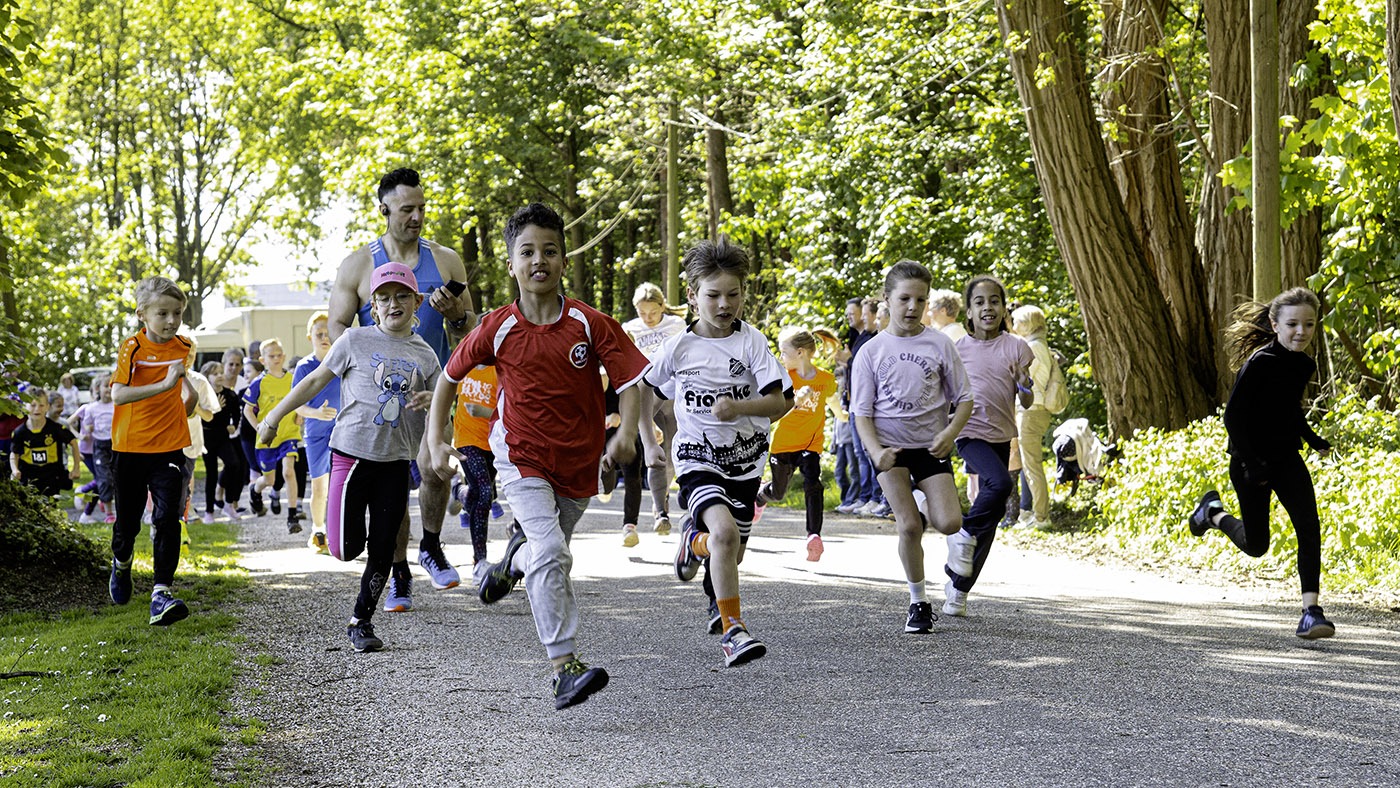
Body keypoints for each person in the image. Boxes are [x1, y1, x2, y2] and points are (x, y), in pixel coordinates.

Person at [423, 202, 649, 709]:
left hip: (579, 463)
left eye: (549, 251)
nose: (538, 260)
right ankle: (563, 667)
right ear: (511, 264)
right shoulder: (498, 327)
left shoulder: (590, 324)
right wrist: (436, 439)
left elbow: (632, 379)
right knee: (555, 555)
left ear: (564, 261)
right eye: (527, 252)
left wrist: (628, 434)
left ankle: (512, 560)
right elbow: (449, 379)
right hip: (520, 456)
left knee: (547, 554)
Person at [258, 262, 441, 652]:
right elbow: (313, 380)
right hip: (351, 457)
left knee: (384, 547)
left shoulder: (425, 355)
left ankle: (362, 621)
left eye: (402, 296)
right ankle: (348, 548)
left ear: (417, 302)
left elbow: (443, 403)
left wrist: (435, 406)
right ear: (372, 306)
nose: (394, 304)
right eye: (384, 298)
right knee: (345, 548)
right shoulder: (354, 341)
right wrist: (274, 416)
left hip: (395, 462)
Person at [327, 166, 476, 608]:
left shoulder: (446, 260)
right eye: (406, 209)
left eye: (421, 208)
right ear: (384, 210)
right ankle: (398, 571)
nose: (416, 217)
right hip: (381, 395)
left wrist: (455, 315)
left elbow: (472, 329)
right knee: (390, 488)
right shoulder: (358, 264)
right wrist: (358, 371)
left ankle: (430, 545)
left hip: (432, 389)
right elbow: (337, 322)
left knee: (436, 469)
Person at [656, 237, 794, 668]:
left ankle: (692, 543)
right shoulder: (678, 347)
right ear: (693, 296)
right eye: (712, 295)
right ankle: (733, 629)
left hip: (746, 463)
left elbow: (782, 402)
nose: (723, 304)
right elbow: (648, 389)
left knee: (728, 550)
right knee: (727, 536)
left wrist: (740, 408)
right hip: (697, 459)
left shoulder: (752, 343)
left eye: (732, 294)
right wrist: (647, 439)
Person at [1188, 287, 1336, 639]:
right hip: (1249, 463)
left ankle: (1311, 612)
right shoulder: (1259, 364)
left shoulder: (1304, 364)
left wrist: (1312, 438)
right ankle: (1212, 513)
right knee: (1257, 546)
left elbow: (1288, 408)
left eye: (1309, 324)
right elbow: (1233, 419)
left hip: (1286, 459)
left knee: (1309, 526)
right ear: (1275, 324)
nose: (1301, 331)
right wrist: (1253, 464)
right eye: (1293, 324)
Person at [850, 261, 975, 633]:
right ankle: (918, 603)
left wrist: (950, 432)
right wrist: (876, 453)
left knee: (950, 522)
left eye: (920, 300)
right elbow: (861, 414)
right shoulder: (871, 351)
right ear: (887, 299)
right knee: (908, 528)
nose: (912, 307)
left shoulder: (939, 344)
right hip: (890, 449)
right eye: (904, 298)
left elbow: (965, 398)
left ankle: (924, 499)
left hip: (930, 448)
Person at [109, 276, 198, 626]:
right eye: (163, 313)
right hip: (130, 448)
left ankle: (161, 593)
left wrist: (187, 398)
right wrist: (164, 385)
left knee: (167, 518)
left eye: (177, 313)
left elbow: (181, 390)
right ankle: (121, 563)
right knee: (128, 524)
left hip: (169, 448)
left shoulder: (183, 346)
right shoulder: (131, 348)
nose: (172, 321)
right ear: (142, 314)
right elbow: (117, 395)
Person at [944, 275, 1034, 618]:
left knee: (993, 516)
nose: (987, 308)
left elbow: (1027, 400)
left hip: (1001, 434)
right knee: (1001, 484)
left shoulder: (1017, 347)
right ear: (969, 310)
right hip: (967, 432)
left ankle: (958, 587)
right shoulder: (958, 349)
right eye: (979, 302)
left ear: (1003, 307)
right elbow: (944, 393)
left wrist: (1024, 385)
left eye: (994, 301)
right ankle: (963, 533)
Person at [756, 327, 841, 561]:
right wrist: (796, 400)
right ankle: (761, 496)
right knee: (778, 492)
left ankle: (814, 535)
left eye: (784, 352)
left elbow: (831, 400)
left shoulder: (826, 379)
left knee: (813, 483)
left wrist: (843, 416)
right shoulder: (783, 378)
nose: (781, 357)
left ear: (801, 353)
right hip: (783, 444)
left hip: (811, 443)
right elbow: (773, 411)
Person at [620, 282, 687, 544]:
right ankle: (661, 513)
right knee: (655, 453)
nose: (648, 319)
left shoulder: (675, 325)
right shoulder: (629, 329)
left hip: (674, 396)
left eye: (653, 312)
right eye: (642, 313)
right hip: (646, 394)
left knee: (671, 457)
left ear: (662, 306)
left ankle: (663, 499)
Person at [242, 337, 303, 533]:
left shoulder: (293, 380)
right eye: (271, 356)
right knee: (268, 480)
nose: (276, 359)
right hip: (267, 440)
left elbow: (301, 400)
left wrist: (300, 415)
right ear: (263, 360)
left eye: (279, 355)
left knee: (288, 471)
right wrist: (258, 426)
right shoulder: (259, 383)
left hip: (289, 435)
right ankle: (255, 489)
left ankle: (292, 516)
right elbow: (247, 411)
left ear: (284, 356)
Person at [447, 360, 499, 585]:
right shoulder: (462, 367)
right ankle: (480, 561)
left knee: (480, 497)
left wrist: (484, 411)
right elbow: (445, 394)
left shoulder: (500, 371)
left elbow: (510, 410)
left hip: (494, 442)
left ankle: (458, 490)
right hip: (466, 440)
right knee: (485, 494)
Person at [293, 311, 339, 554]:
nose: (324, 337)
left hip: (343, 434)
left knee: (341, 486)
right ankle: (318, 529)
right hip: (317, 434)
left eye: (327, 333)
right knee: (320, 487)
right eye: (319, 333)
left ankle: (338, 532)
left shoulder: (343, 361)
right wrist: (315, 413)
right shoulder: (304, 367)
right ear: (310, 336)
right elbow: (296, 403)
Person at [1010, 305, 1055, 528]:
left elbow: (1023, 379)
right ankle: (1036, 514)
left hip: (1031, 411)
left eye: (1017, 321)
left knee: (1031, 466)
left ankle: (1041, 516)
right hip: (1034, 410)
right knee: (1030, 464)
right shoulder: (1039, 345)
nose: (1014, 325)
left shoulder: (1033, 347)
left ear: (1027, 324)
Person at [177, 343, 218, 541]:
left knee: (185, 479)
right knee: (166, 480)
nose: (188, 357)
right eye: (185, 353)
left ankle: (182, 518)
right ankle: (163, 518)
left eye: (192, 354)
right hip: (167, 438)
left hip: (191, 439)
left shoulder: (199, 381)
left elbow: (210, 415)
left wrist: (196, 409)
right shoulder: (164, 376)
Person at [10, 386, 81, 496]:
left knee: (51, 509)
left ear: (47, 407)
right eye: (33, 405)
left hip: (52, 478)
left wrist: (76, 467)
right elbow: (14, 453)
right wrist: (14, 470)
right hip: (28, 479)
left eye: (41, 405)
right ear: (24, 406)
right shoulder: (20, 432)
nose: (37, 409)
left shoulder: (56, 429)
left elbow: (73, 442)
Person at [199, 360, 245, 523]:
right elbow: (202, 417)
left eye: (220, 372)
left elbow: (236, 414)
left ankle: (228, 503)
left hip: (223, 438)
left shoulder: (230, 395)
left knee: (234, 464)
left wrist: (233, 425)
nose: (219, 376)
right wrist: (214, 406)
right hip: (208, 437)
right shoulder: (203, 395)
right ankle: (209, 512)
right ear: (207, 377)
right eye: (215, 373)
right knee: (211, 473)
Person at [70, 375, 115, 523]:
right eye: (105, 386)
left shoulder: (117, 405)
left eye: (111, 386)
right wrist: (82, 434)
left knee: (105, 480)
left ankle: (88, 509)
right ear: (97, 389)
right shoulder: (89, 408)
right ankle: (103, 510)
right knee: (103, 480)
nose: (109, 389)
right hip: (94, 449)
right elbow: (73, 423)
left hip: (113, 446)